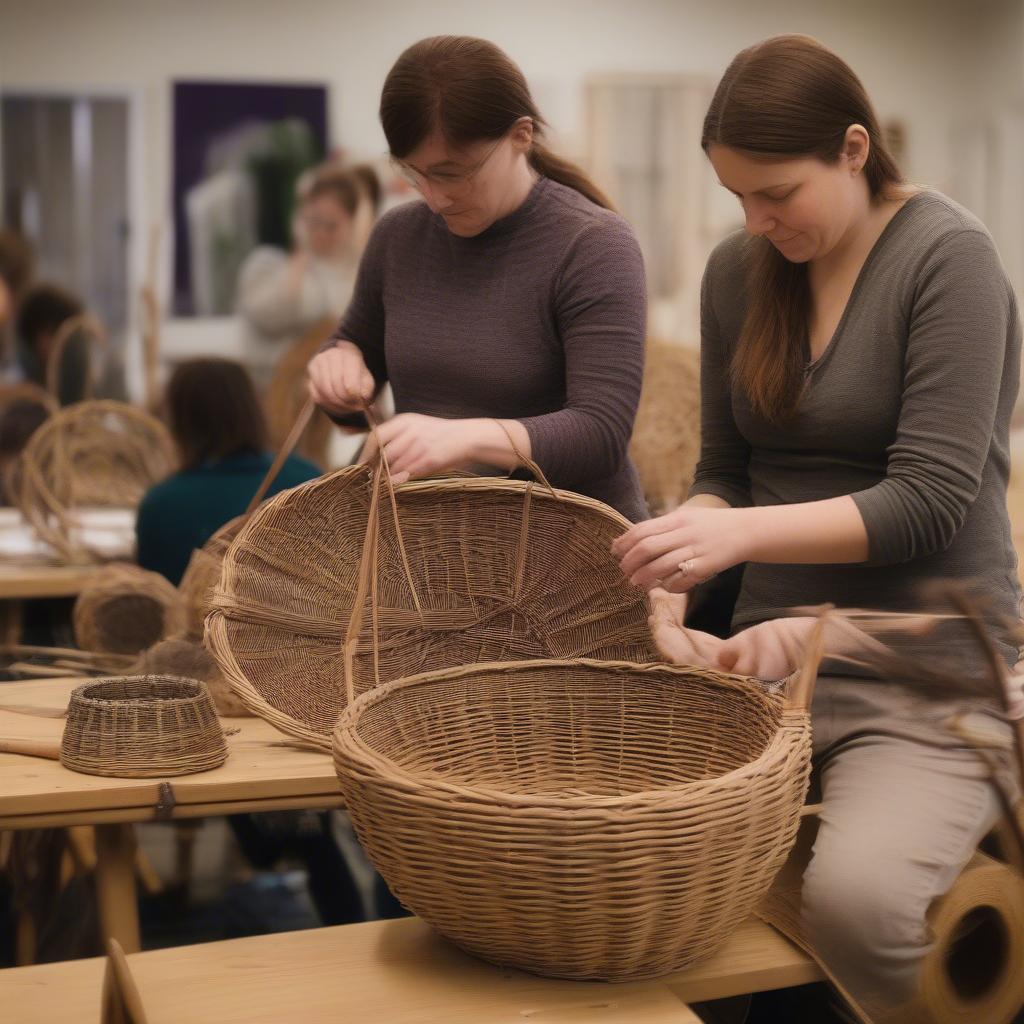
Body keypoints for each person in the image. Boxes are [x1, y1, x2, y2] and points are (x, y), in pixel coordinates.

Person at [613, 35, 1021, 1022]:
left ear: (851, 149)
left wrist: (740, 538)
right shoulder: (735, 269)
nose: (756, 220)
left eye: (776, 193)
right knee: (629, 875)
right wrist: (684, 541)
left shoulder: (946, 257)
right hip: (758, 666)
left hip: (922, 662)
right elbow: (723, 472)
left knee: (857, 904)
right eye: (738, 198)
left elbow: (926, 501)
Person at [307, 35, 648, 522]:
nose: (435, 197)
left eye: (453, 173)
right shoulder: (398, 237)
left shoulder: (593, 245)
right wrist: (338, 368)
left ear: (521, 136)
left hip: (573, 554)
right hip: (434, 545)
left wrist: (462, 436)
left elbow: (601, 433)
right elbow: (354, 349)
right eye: (415, 173)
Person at [135, 357, 321, 586]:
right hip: (299, 621)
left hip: (197, 620)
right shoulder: (308, 480)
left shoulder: (161, 505)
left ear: (180, 420)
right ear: (252, 409)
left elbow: (157, 602)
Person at [237, 168, 364, 388]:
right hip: (274, 393)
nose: (321, 233)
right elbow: (266, 316)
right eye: (313, 222)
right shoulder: (268, 265)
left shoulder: (357, 275)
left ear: (351, 223)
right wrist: (299, 262)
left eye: (331, 225)